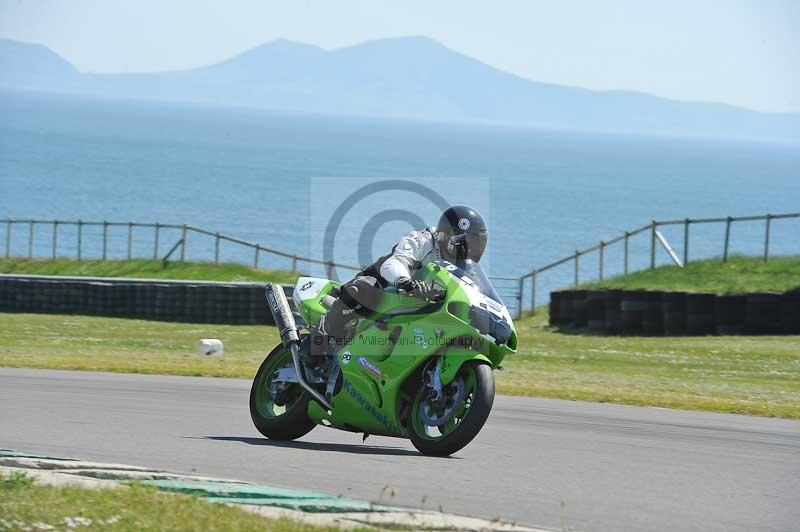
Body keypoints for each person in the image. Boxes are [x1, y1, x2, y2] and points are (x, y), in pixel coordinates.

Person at [308, 205, 488, 360]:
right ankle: (322, 333)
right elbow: (395, 262)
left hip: (419, 308)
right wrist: (404, 281)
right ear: (448, 238)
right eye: (467, 243)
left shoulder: (465, 269)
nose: (473, 250)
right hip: (386, 287)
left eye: (478, 243)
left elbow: (475, 294)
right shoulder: (422, 241)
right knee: (363, 289)